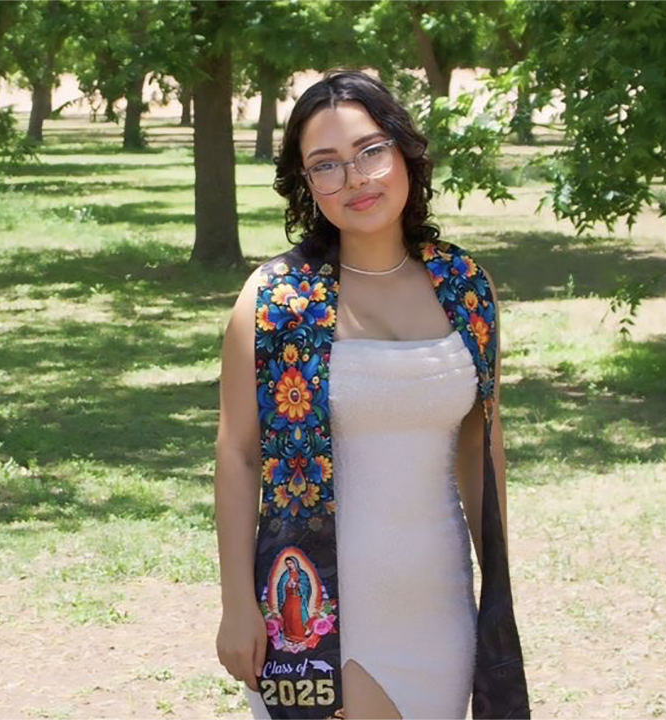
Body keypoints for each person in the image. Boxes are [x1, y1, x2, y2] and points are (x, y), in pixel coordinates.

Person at [213, 69, 513, 719]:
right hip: (317, 611)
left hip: (439, 608)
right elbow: (237, 455)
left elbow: (481, 442)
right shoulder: (274, 302)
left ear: (405, 152)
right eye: (326, 165)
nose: (354, 178)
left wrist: (498, 588)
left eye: (370, 151)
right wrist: (238, 603)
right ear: (305, 184)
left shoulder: (465, 287)